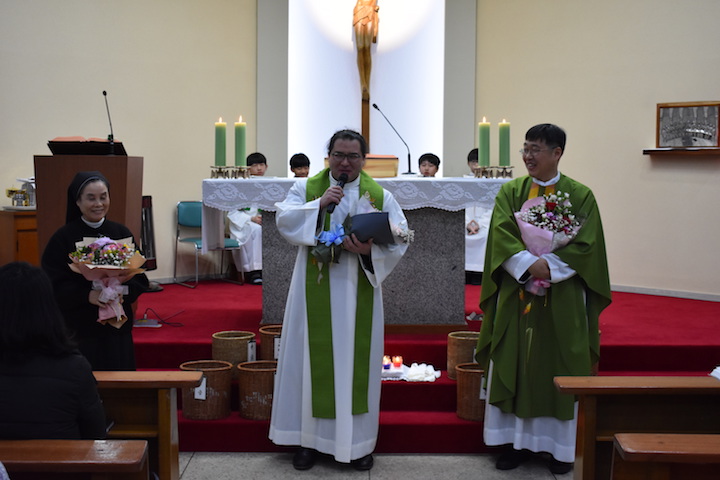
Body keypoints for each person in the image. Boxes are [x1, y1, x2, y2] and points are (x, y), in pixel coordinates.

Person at [269, 129, 409, 471]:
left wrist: (370, 251)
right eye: (339, 155)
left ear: (363, 159)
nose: (345, 163)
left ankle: (356, 444)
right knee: (308, 361)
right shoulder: (307, 188)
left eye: (353, 156)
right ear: (328, 156)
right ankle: (307, 442)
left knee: (352, 364)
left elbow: (400, 237)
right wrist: (318, 205)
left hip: (356, 288)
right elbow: (284, 220)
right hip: (313, 288)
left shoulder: (380, 196)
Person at [475, 124, 611, 474]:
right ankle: (514, 444)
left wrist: (549, 268)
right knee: (515, 358)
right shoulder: (511, 191)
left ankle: (558, 449)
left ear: (557, 152)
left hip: (563, 294)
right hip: (517, 291)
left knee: (559, 359)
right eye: (525, 148)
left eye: (535, 149)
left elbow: (588, 245)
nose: (527, 156)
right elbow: (501, 235)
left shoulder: (580, 195)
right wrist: (529, 264)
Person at [41, 171, 149, 371]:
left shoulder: (121, 233)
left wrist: (120, 290)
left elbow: (140, 278)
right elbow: (51, 283)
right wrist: (87, 295)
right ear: (77, 201)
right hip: (81, 328)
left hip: (116, 328)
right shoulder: (63, 237)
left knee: (120, 378)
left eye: (103, 197)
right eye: (91, 198)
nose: (99, 204)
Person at [0, 262, 107, 439]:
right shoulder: (74, 368)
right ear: (48, 307)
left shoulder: (74, 368)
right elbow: (95, 435)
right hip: (60, 457)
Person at [228, 152, 266, 284]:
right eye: (255, 165)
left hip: (262, 221)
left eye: (261, 165)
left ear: (266, 167)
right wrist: (251, 219)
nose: (259, 168)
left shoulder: (270, 185)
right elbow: (232, 212)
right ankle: (255, 271)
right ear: (247, 168)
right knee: (256, 230)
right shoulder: (240, 186)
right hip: (243, 223)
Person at [464, 148, 491, 285]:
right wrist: (468, 223)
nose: (476, 166)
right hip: (466, 223)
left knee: (485, 236)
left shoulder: (491, 183)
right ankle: (464, 272)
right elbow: (458, 205)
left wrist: (479, 224)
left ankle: (478, 274)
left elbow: (493, 206)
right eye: (473, 162)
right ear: (468, 163)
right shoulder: (462, 182)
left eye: (479, 162)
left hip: (483, 224)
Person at [353, 0, 379, 100]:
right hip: (359, 11)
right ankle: (363, 83)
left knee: (367, 48)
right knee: (360, 48)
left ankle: (367, 85)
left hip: (370, 12)